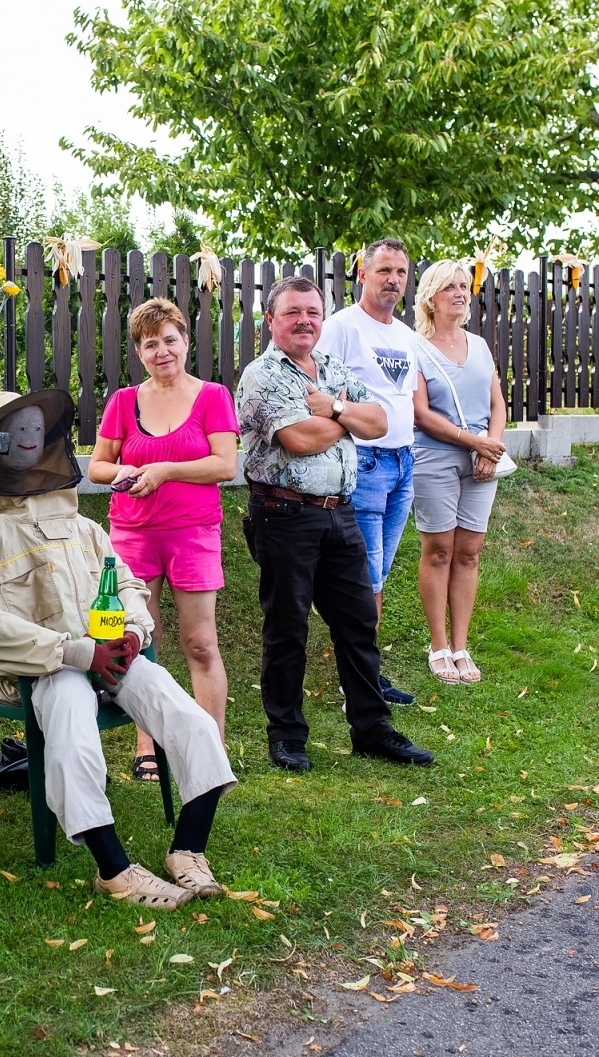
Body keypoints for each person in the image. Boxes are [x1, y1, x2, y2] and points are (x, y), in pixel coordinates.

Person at [0, 389, 237, 909]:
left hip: (109, 660)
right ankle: (114, 871)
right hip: (39, 673)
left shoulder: (82, 528)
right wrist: (71, 653)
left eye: (36, 429)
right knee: (73, 725)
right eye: (16, 431)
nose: (29, 439)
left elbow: (127, 585)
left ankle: (188, 849)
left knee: (188, 716)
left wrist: (133, 633)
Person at [236, 277, 433, 772]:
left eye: (313, 312)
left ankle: (372, 730)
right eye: (292, 312)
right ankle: (286, 736)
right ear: (270, 320)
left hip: (339, 513)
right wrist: (346, 417)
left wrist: (335, 407)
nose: (305, 321)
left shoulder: (332, 368)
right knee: (287, 628)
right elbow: (299, 439)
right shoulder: (262, 375)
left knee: (358, 623)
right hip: (283, 515)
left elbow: (381, 422)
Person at [89, 297, 237, 783]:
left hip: (193, 532)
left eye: (170, 340)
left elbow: (224, 464)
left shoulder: (213, 396)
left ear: (186, 342)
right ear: (139, 352)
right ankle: (146, 743)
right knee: (139, 639)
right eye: (150, 344)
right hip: (132, 534)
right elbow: (97, 466)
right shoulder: (123, 401)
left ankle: (211, 746)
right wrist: (124, 472)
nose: (162, 351)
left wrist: (165, 470)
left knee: (200, 642)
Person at [323, 238, 420, 705]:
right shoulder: (342, 327)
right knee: (363, 579)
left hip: (403, 463)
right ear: (362, 273)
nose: (393, 280)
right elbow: (319, 389)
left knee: (377, 576)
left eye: (400, 272)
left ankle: (365, 674)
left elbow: (407, 398)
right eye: (384, 271)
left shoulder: (405, 334)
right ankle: (358, 684)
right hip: (364, 462)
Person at [410, 261, 509, 684]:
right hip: (435, 458)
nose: (460, 293)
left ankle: (461, 646)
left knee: (469, 552)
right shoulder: (415, 346)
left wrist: (492, 446)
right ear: (430, 297)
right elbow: (420, 414)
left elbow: (498, 405)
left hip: (483, 460)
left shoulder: (480, 346)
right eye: (449, 286)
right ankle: (438, 646)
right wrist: (475, 443)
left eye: (464, 286)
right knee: (438, 550)